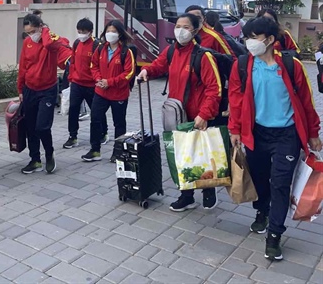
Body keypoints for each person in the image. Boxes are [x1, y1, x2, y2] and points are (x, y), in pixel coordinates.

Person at [228, 17, 321, 261]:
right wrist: (235, 130)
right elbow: (236, 101)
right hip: (256, 133)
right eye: (246, 37)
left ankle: (274, 234)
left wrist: (313, 133)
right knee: (259, 179)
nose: (248, 42)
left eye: (253, 37)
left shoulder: (292, 66)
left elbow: (307, 102)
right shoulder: (242, 65)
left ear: (269, 39)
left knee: (280, 184)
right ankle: (262, 211)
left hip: (286, 135)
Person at [137, 13, 222, 211]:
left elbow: (214, 88)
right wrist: (147, 71)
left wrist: (204, 114)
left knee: (201, 154)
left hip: (197, 116)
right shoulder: (171, 51)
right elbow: (158, 66)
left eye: (185, 27)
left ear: (195, 30)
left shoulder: (203, 56)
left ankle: (208, 190)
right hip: (177, 113)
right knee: (182, 156)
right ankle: (187, 196)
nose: (180, 31)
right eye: (177, 26)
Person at [85, 20, 135, 163]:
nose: (110, 34)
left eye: (113, 31)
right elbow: (93, 65)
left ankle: (118, 152)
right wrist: (99, 80)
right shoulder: (100, 48)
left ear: (120, 34)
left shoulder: (126, 52)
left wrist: (110, 82)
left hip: (118, 94)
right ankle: (95, 150)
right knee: (95, 119)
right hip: (101, 92)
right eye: (108, 31)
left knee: (119, 123)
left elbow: (129, 73)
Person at [18, 13, 61, 174]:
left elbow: (51, 45)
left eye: (33, 31)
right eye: (28, 32)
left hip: (47, 89)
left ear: (40, 27)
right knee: (30, 127)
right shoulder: (27, 43)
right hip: (30, 88)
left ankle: (49, 154)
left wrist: (45, 31)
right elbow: (23, 66)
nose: (31, 35)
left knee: (42, 126)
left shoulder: (51, 39)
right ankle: (35, 159)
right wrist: (20, 89)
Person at [63, 18, 97, 149]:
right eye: (79, 31)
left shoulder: (96, 46)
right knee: (73, 110)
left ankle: (102, 133)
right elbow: (72, 63)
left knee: (96, 111)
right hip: (77, 83)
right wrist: (71, 78)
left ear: (90, 32)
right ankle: (72, 136)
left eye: (84, 32)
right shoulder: (77, 43)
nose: (81, 34)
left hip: (91, 85)